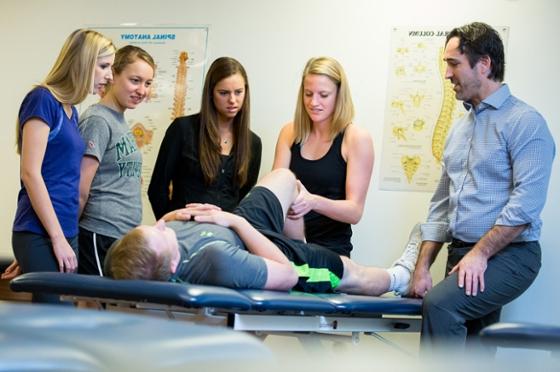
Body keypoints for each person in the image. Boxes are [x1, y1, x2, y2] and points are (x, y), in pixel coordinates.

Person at [409, 22, 556, 352]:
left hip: (511, 255)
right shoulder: (458, 131)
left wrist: (481, 253)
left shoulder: (525, 122)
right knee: (477, 346)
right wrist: (422, 267)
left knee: (441, 306)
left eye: (453, 63)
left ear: (484, 64)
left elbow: (525, 205)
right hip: (462, 252)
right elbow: (440, 205)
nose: (447, 75)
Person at [106, 169, 420, 296]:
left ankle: (299, 244)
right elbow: (286, 275)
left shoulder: (127, 254)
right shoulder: (216, 261)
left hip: (239, 226)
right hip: (258, 249)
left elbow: (156, 232)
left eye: (154, 225)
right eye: (160, 231)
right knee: (350, 271)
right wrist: (234, 222)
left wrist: (177, 215)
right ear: (173, 267)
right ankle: (400, 278)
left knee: (287, 180)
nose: (161, 224)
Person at [11, 29, 116, 302]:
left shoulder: (71, 111)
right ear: (83, 62)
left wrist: (58, 241)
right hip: (40, 231)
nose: (110, 76)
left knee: (61, 320)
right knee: (53, 318)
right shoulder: (43, 100)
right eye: (104, 66)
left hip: (66, 231)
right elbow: (30, 173)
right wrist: (48, 242)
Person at [273, 56, 373, 257]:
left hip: (330, 252)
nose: (313, 102)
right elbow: (275, 194)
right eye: (308, 94)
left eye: (323, 95)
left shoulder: (356, 139)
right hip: (287, 248)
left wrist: (313, 201)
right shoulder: (289, 133)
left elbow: (354, 212)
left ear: (339, 95)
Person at [148, 57, 262, 220]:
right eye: (223, 93)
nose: (232, 100)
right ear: (210, 93)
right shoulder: (182, 129)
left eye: (238, 92)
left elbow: (243, 199)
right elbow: (157, 189)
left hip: (226, 237)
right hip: (184, 232)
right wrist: (170, 226)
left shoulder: (253, 143)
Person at [78, 45, 156, 276]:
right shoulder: (97, 120)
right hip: (98, 232)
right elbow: (80, 188)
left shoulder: (119, 120)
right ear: (114, 75)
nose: (142, 90)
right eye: (135, 80)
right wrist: (64, 237)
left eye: (148, 83)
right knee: (94, 308)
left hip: (120, 236)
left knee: (110, 307)